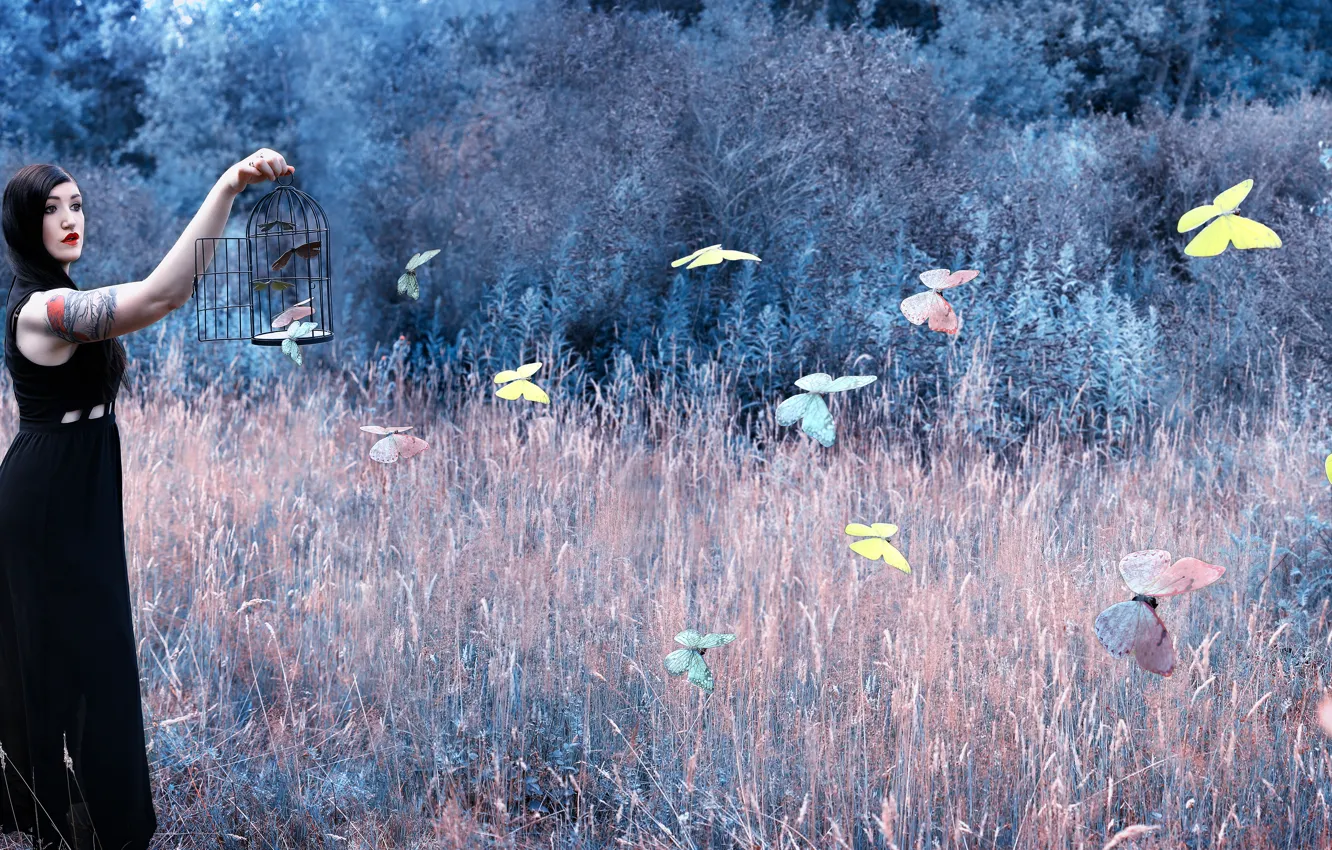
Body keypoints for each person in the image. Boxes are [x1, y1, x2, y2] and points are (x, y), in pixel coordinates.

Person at [0, 148, 293, 850]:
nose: (70, 219)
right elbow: (161, 296)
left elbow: (164, 298)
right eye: (51, 210)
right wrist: (228, 186)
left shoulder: (65, 296)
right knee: (73, 659)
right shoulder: (43, 310)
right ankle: (75, 823)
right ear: (21, 225)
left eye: (75, 205)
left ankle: (81, 819)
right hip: (46, 501)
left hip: (78, 485)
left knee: (87, 655)